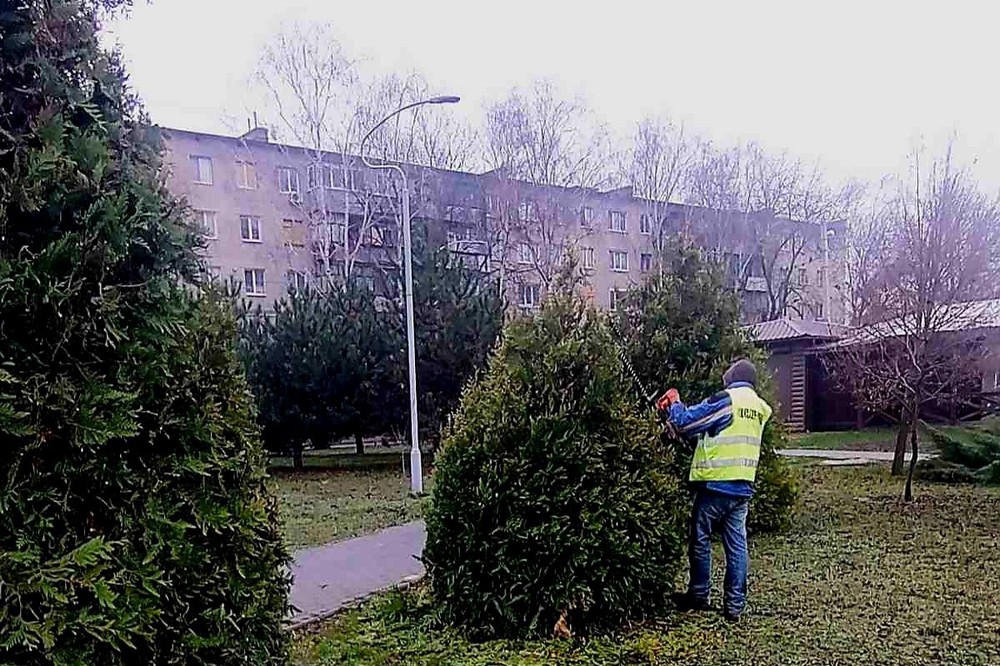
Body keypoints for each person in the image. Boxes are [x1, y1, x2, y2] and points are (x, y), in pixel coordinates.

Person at [657, 358, 772, 622]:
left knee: (700, 538)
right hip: (742, 486)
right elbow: (720, 432)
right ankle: (734, 606)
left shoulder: (728, 399)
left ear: (733, 376)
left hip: (715, 485)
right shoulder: (759, 407)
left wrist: (674, 401)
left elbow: (686, 422)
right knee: (737, 546)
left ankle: (699, 595)